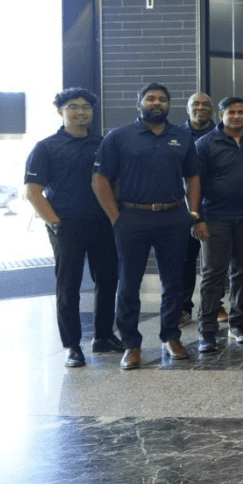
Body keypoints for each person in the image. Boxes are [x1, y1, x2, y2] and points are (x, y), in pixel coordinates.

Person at [92, 82, 201, 369]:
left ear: (168, 105)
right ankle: (131, 344)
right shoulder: (119, 137)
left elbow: (194, 177)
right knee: (129, 283)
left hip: (173, 217)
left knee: (174, 281)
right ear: (138, 103)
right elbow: (100, 179)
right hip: (133, 217)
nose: (157, 103)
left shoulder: (182, 136)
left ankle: (171, 336)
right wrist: (116, 216)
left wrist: (193, 213)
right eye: (150, 98)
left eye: (162, 99)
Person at [25, 88, 120, 367]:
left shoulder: (104, 144)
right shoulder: (46, 147)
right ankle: (72, 346)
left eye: (86, 107)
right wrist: (55, 224)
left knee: (107, 281)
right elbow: (33, 193)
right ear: (61, 111)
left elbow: (114, 185)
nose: (81, 112)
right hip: (66, 225)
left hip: (102, 223)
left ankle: (103, 336)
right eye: (73, 107)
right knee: (69, 286)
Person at [191, 96, 243, 350]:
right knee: (213, 274)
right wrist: (197, 218)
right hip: (215, 218)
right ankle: (207, 330)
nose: (236, 116)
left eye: (241, 112)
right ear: (221, 114)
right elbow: (193, 184)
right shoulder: (205, 144)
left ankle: (237, 322)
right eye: (231, 112)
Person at [179, 91, 214, 325]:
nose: (200, 107)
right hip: (183, 209)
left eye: (205, 104)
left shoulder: (222, 134)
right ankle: (183, 308)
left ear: (212, 110)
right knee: (185, 260)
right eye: (195, 104)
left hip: (215, 208)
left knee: (216, 263)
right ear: (187, 108)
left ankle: (215, 306)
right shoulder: (176, 136)